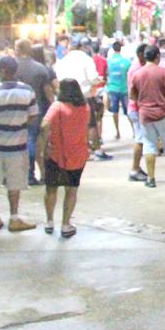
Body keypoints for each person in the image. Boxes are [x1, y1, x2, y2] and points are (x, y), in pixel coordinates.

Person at [0, 56, 40, 233]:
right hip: (18, 143)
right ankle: (14, 217)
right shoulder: (27, 91)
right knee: (15, 181)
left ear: (3, 70)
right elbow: (33, 115)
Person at [38, 79, 98, 237]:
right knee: (71, 190)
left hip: (56, 154)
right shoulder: (85, 107)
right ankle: (65, 224)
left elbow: (44, 125)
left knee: (51, 189)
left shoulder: (57, 106)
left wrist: (44, 145)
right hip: (78, 153)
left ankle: (49, 221)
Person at [130, 45, 165, 188]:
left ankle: (151, 178)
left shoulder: (137, 74)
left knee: (149, 146)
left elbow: (132, 95)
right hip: (163, 114)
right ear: (157, 57)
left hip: (145, 115)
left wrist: (142, 102)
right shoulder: (163, 73)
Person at [15, 39, 57, 186]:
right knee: (32, 140)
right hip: (36, 110)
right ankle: (30, 173)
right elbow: (48, 91)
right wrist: (54, 108)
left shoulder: (13, 67)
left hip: (14, 110)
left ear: (19, 49)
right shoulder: (40, 68)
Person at [127, 43, 149, 182]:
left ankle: (137, 167)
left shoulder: (141, 68)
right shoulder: (136, 69)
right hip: (137, 109)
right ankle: (134, 169)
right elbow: (133, 93)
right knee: (140, 140)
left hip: (138, 108)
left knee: (141, 139)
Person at [105, 40, 132, 139]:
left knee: (114, 111)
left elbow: (106, 74)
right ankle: (134, 131)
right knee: (128, 111)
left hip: (113, 88)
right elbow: (130, 75)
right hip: (124, 89)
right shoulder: (126, 62)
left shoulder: (108, 61)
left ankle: (117, 132)